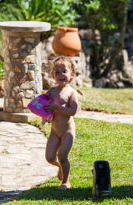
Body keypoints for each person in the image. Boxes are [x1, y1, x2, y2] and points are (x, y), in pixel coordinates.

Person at [44, 56, 78, 190]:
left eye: (64, 71)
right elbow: (45, 108)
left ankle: (66, 182)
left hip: (67, 131)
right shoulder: (51, 91)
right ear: (53, 76)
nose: (61, 75)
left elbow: (72, 111)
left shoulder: (72, 93)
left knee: (63, 155)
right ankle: (60, 167)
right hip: (55, 131)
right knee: (50, 157)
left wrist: (57, 107)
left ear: (71, 74)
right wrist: (45, 117)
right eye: (57, 72)